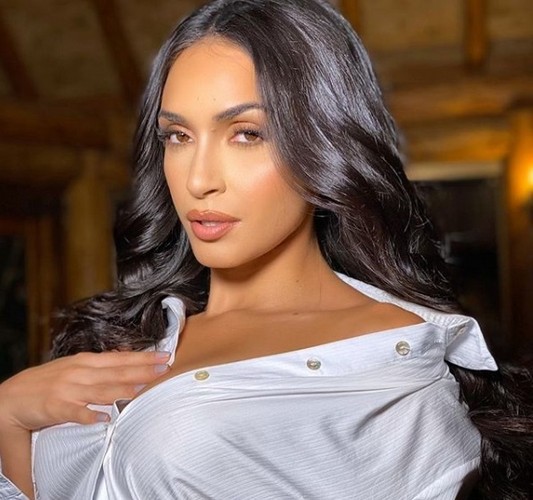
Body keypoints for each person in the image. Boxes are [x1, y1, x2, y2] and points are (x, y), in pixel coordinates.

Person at [1, 0, 532, 498]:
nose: (198, 180)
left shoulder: (392, 370)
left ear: (324, 143)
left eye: (246, 134)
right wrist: (8, 413)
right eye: (178, 136)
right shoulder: (135, 330)